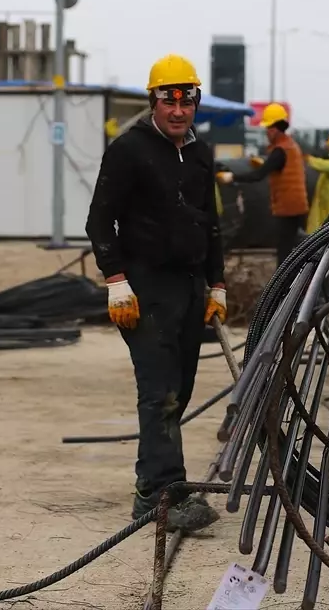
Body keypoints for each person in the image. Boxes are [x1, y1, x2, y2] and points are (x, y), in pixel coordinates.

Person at [85, 54, 227, 533]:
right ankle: (165, 493)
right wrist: (116, 280)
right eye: (169, 100)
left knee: (180, 389)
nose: (179, 110)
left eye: (187, 100)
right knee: (160, 390)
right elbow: (99, 220)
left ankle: (151, 485)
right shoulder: (130, 150)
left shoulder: (201, 153)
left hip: (188, 287)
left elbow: (210, 222)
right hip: (145, 289)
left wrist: (219, 283)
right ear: (153, 101)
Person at [218, 102, 309, 266]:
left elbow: (258, 176)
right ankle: (315, 260)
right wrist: (264, 163)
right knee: (293, 240)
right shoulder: (291, 145)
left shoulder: (280, 150)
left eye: (268, 128)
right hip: (296, 204)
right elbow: (282, 168)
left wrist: (232, 177)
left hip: (287, 206)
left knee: (284, 250)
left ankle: (283, 286)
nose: (266, 132)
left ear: (275, 129)